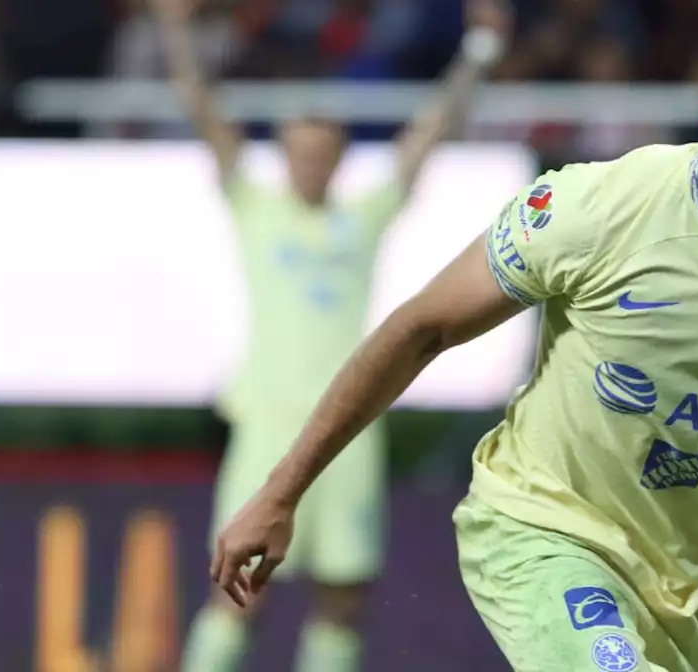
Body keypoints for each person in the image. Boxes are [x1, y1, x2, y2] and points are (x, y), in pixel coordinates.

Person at [212, 6, 698, 672]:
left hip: (687, 578)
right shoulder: (596, 210)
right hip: (539, 526)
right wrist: (282, 492)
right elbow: (419, 327)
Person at [150, 0, 513, 670]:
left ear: (340, 157)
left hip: (349, 428)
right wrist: (172, 29)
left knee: (344, 594)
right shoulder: (259, 210)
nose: (309, 165)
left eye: (322, 152)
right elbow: (202, 108)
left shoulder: (362, 217)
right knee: (240, 590)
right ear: (282, 154)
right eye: (298, 151)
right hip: (268, 425)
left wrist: (478, 54)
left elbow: (431, 131)